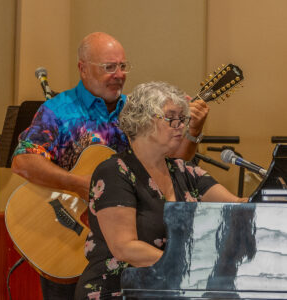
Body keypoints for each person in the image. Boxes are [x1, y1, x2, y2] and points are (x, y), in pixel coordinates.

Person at [11, 33, 209, 299]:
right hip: (68, 236)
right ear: (83, 67)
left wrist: (192, 129)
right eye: (109, 67)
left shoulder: (137, 112)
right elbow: (23, 161)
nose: (119, 74)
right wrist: (83, 184)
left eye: (123, 66)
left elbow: (174, 164)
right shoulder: (57, 110)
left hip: (130, 251)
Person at [74, 81, 247, 299]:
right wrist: (191, 269)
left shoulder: (185, 171)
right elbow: (125, 248)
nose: (180, 125)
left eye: (182, 119)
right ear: (143, 120)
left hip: (168, 289)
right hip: (116, 289)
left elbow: (239, 206)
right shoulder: (114, 172)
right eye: (171, 118)